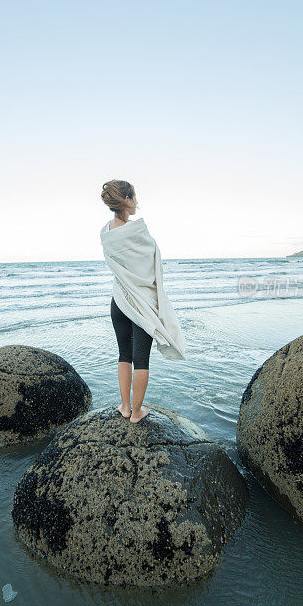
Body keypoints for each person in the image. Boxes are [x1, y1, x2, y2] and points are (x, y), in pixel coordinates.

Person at [100, 179, 187, 424]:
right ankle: (137, 413)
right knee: (141, 359)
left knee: (123, 354)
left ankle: (125, 407)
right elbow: (150, 265)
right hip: (141, 304)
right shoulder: (138, 231)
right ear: (126, 199)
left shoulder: (105, 232)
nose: (137, 202)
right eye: (135, 197)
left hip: (119, 302)